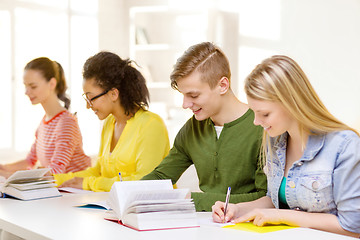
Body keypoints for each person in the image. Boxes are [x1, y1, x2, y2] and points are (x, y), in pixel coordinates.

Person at [212, 55, 360, 237]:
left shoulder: (344, 145)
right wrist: (237, 209)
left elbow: (352, 226)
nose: (256, 122)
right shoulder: (275, 141)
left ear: (292, 103)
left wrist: (282, 216)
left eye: (264, 114)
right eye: (255, 113)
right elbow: (277, 201)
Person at [142, 42, 267, 211]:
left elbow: (264, 197)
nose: (185, 104)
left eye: (193, 95)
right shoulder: (193, 128)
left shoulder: (262, 128)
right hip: (204, 225)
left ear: (222, 85)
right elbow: (161, 176)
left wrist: (193, 200)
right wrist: (128, 193)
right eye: (183, 95)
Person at [54, 51, 170, 192]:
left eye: (91, 98)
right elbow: (98, 171)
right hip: (114, 208)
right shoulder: (109, 123)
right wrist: (54, 179)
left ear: (113, 94)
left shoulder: (151, 125)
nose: (87, 106)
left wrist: (90, 184)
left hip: (151, 211)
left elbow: (144, 181)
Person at [0, 57, 91, 178]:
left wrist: (6, 174)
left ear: (52, 84)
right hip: (58, 192)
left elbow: (54, 172)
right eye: (25, 86)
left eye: (33, 86)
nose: (26, 92)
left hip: (74, 192)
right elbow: (29, 161)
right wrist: (3, 167)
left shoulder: (66, 123)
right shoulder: (44, 122)